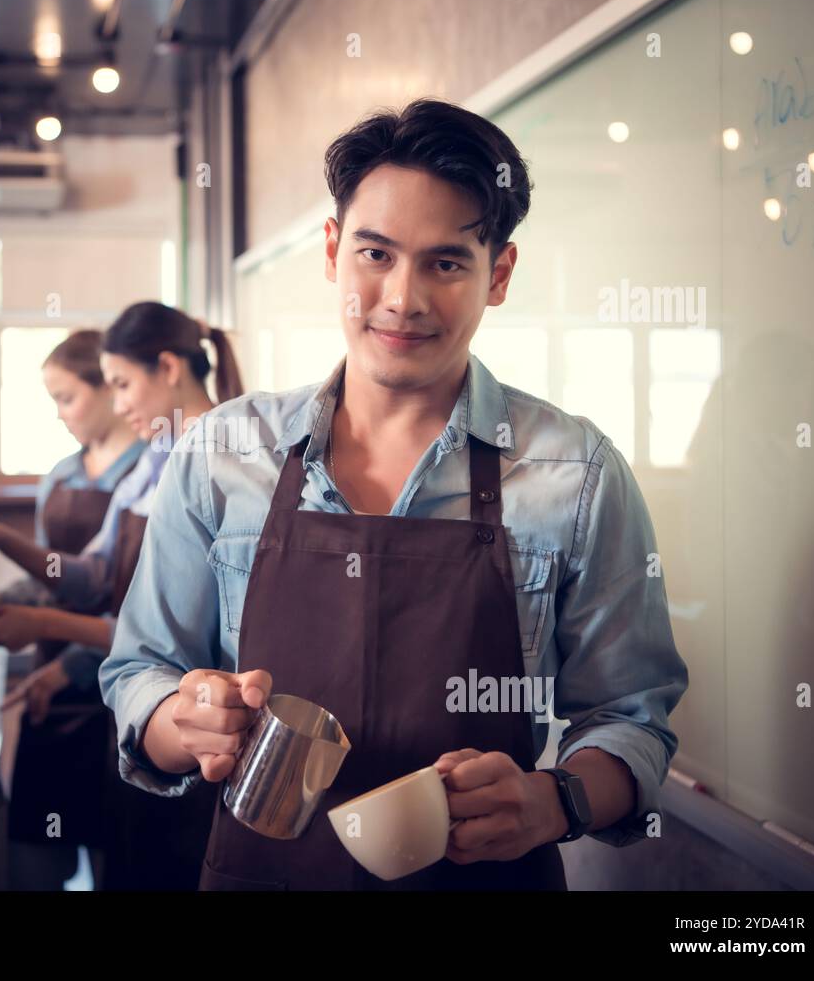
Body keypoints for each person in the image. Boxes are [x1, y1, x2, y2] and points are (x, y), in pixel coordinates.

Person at [99, 97, 689, 890]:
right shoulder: (223, 453)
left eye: (446, 263)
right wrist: (187, 722)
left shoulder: (575, 474)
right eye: (376, 254)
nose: (403, 298)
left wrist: (553, 802)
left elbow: (631, 716)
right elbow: (141, 670)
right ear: (335, 250)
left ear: (499, 275)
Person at [0, 302, 244, 889]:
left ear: (170, 368)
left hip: (202, 724)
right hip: (141, 713)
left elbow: (186, 636)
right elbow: (94, 578)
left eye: (123, 384)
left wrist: (46, 626)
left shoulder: (230, 461)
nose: (121, 403)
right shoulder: (153, 463)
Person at [0, 329, 142, 888]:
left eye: (66, 397)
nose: (59, 414)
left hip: (116, 676)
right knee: (36, 844)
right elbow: (60, 577)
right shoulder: (61, 474)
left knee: (117, 847)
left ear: (109, 387)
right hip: (53, 680)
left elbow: (135, 603)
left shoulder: (149, 474)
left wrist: (68, 661)